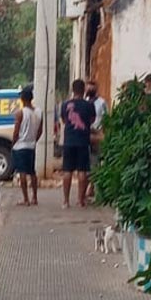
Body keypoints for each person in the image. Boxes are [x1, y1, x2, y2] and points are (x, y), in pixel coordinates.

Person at [60, 79, 96, 208]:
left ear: (72, 90)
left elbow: (64, 120)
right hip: (83, 141)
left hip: (69, 141)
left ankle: (65, 201)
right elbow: (92, 120)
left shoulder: (65, 104)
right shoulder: (89, 105)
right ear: (84, 90)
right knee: (82, 171)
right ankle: (80, 200)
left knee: (67, 171)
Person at [12, 88, 43, 206]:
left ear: (22, 99)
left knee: (22, 172)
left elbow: (16, 131)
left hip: (20, 145)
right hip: (31, 145)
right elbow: (40, 130)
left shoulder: (20, 113)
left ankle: (25, 199)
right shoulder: (39, 112)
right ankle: (34, 197)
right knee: (32, 172)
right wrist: (34, 140)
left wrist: (13, 142)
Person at [86, 80, 108, 197]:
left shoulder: (102, 102)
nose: (89, 90)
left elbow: (106, 118)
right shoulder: (84, 102)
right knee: (86, 162)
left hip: (97, 135)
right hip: (85, 135)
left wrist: (102, 134)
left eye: (92, 88)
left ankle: (92, 187)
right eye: (88, 88)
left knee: (95, 161)